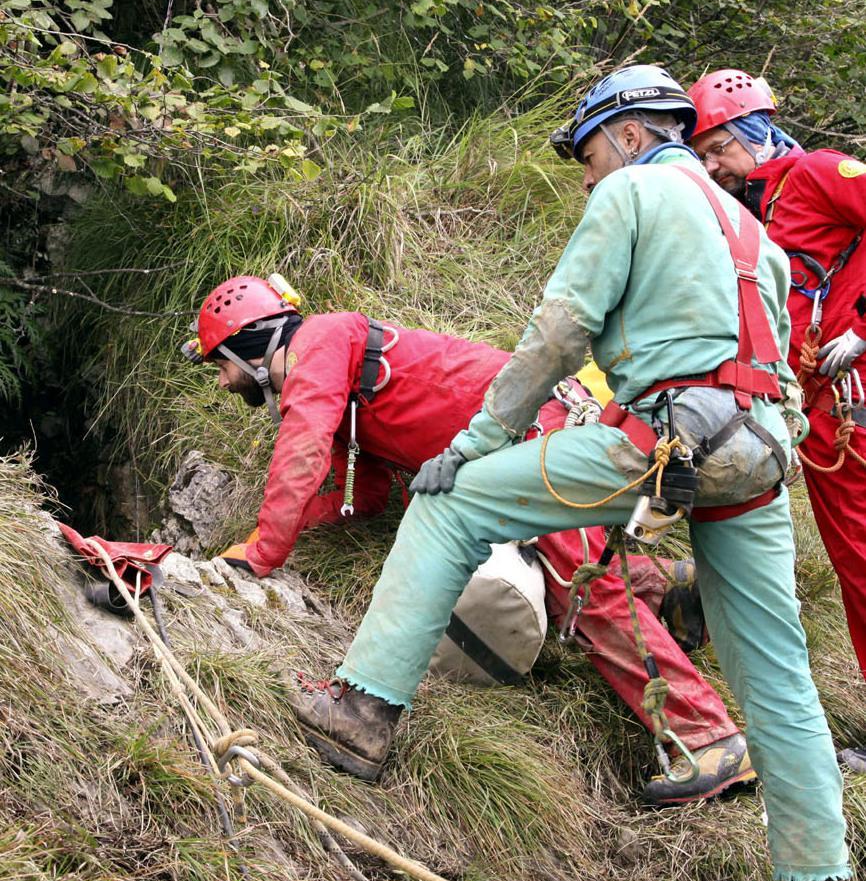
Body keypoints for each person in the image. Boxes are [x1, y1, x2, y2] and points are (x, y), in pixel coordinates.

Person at [288, 65, 850, 881]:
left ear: (630, 133)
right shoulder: (753, 226)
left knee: (455, 502)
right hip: (759, 451)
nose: (586, 176)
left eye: (588, 152)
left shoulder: (632, 191)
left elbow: (559, 330)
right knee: (778, 668)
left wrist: (474, 442)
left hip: (663, 436)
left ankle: (361, 707)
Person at [183, 273, 751, 805]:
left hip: (534, 434)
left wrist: (263, 553)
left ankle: (707, 739)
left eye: (220, 364)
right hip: (531, 431)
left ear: (246, 346)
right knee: (577, 581)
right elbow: (368, 494)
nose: (223, 380)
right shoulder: (338, 366)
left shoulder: (321, 342)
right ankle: (668, 593)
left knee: (580, 595)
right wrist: (274, 534)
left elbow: (302, 453)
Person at [688, 67, 866, 773]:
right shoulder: (752, 216)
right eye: (704, 153)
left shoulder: (821, 174)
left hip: (854, 396)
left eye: (721, 146)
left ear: (756, 134)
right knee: (855, 565)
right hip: (822, 423)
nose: (714, 165)